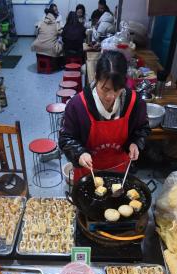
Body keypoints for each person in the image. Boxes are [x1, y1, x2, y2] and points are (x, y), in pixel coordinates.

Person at [59, 50, 150, 182]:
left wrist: (136, 143)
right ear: (96, 77)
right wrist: (79, 153)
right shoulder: (78, 105)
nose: (110, 97)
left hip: (120, 172)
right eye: (105, 89)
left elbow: (142, 128)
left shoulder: (134, 103)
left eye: (117, 89)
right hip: (87, 171)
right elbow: (66, 138)